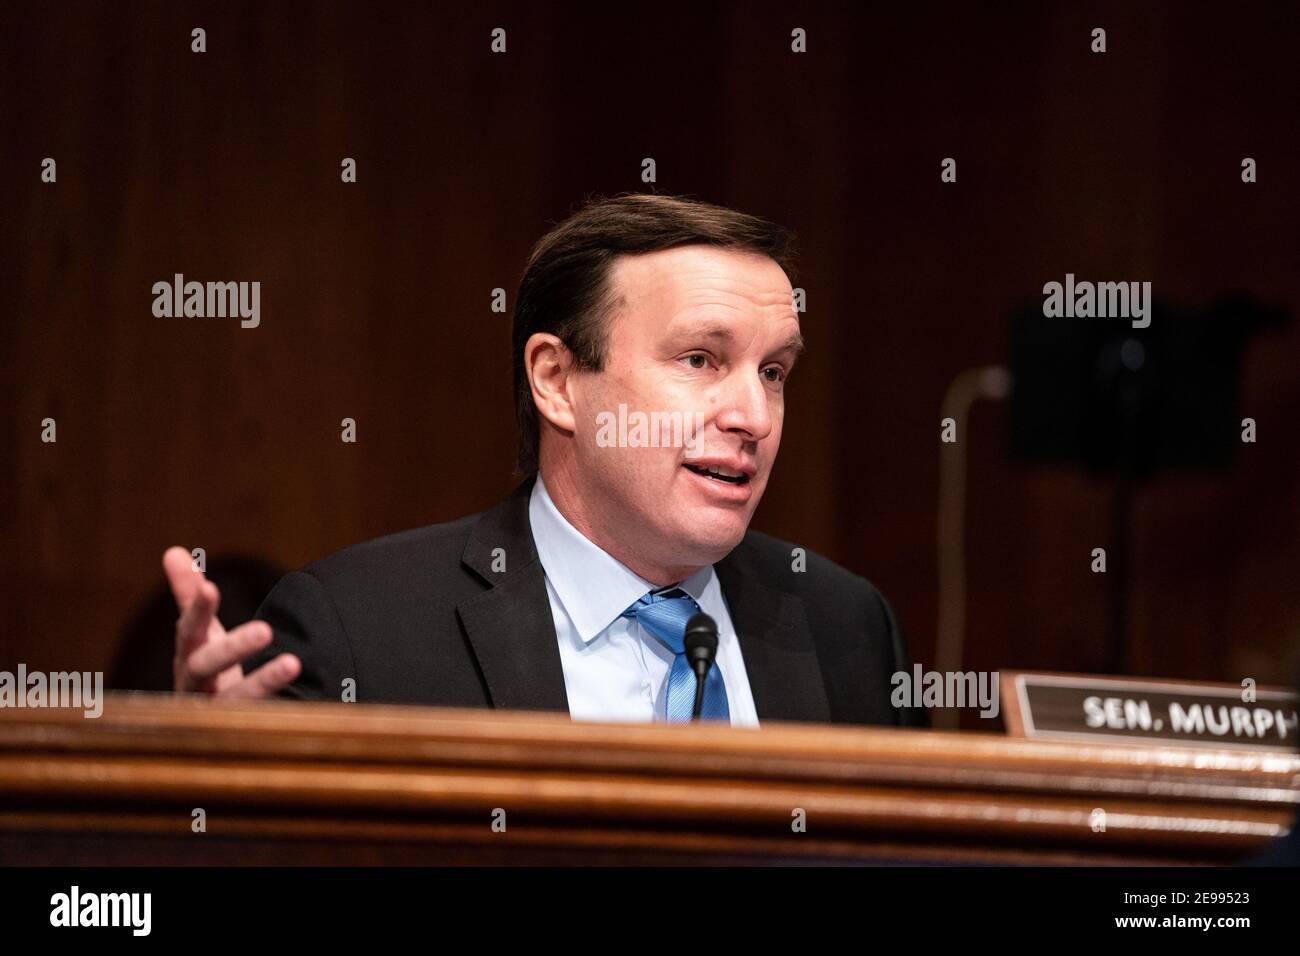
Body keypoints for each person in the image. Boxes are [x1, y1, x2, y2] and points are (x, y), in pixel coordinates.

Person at [167, 193, 922, 727]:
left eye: (773, 373)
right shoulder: (362, 631)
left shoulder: (845, 627)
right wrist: (208, 797)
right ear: (557, 382)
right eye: (699, 359)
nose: (753, 417)